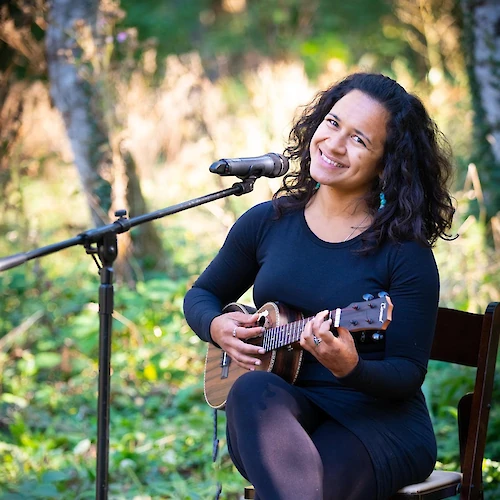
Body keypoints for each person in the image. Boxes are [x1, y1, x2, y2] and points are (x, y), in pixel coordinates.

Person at [183, 72, 455, 500]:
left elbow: (406, 373)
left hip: (376, 423)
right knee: (250, 389)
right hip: (278, 414)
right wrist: (216, 327)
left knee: (306, 488)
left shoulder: (404, 252)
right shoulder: (267, 223)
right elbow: (201, 295)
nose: (333, 144)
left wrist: (351, 367)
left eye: (359, 140)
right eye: (332, 123)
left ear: (387, 163)